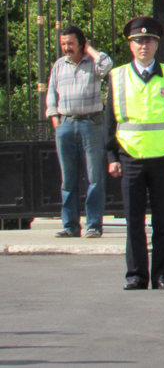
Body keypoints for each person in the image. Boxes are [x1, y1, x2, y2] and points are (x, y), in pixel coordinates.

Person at [105, 16, 164, 290]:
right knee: (134, 222)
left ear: (156, 44)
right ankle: (137, 276)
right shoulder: (117, 77)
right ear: (131, 46)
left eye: (149, 41)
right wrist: (112, 158)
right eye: (139, 41)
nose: (144, 46)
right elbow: (109, 122)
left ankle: (162, 276)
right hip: (130, 158)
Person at [45, 25, 113, 239]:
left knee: (94, 178)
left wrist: (90, 49)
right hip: (65, 125)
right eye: (64, 44)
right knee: (68, 179)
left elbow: (107, 64)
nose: (67, 47)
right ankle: (71, 225)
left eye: (71, 43)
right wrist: (57, 122)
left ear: (81, 43)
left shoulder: (93, 64)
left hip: (91, 125)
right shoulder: (59, 66)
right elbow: (50, 96)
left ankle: (94, 225)